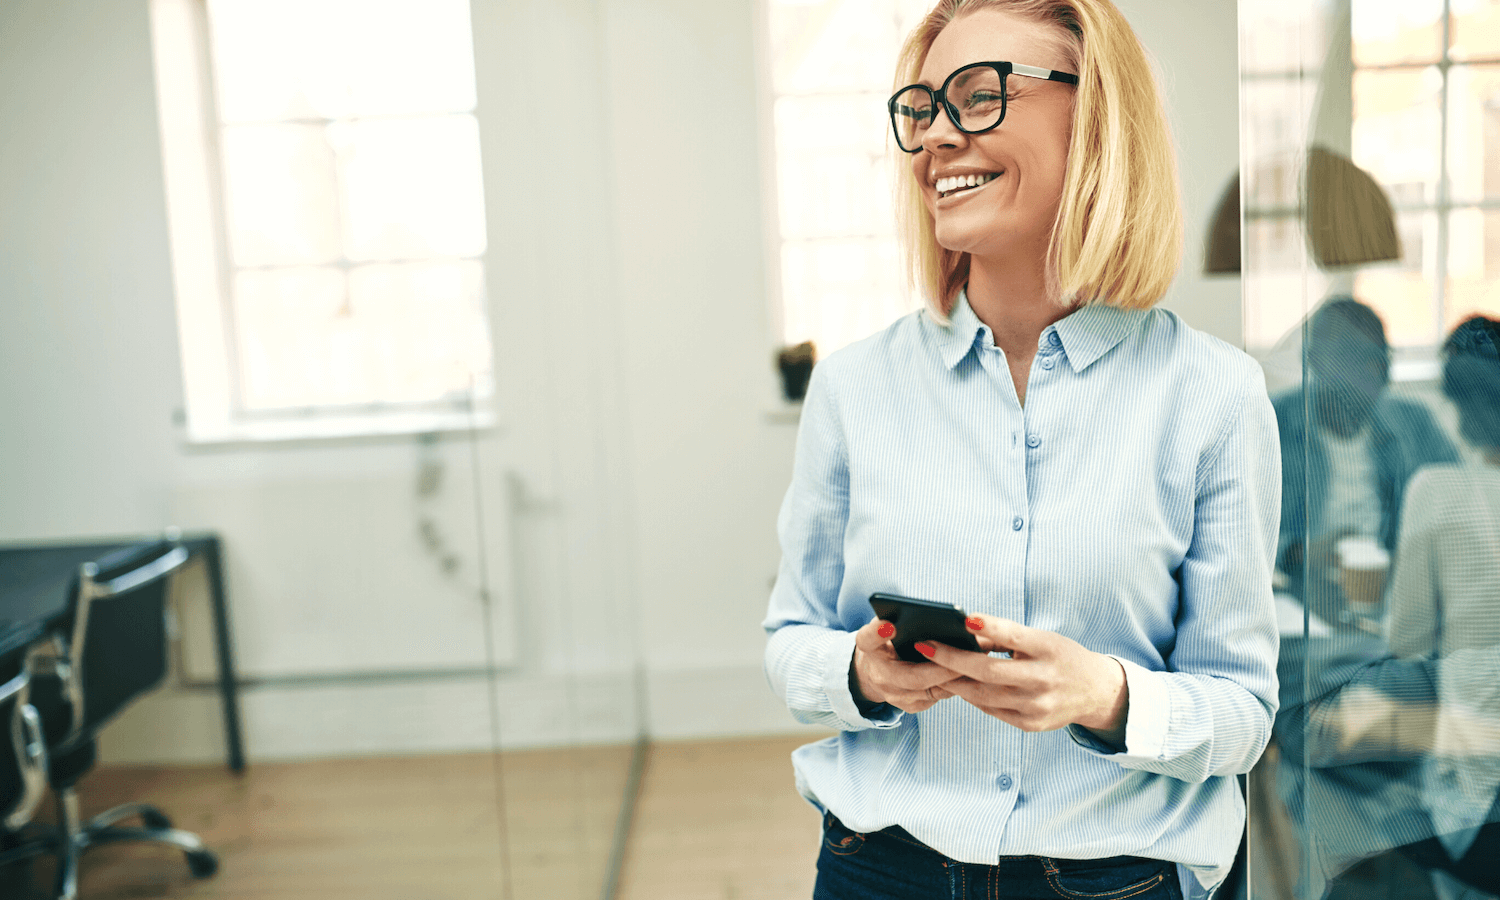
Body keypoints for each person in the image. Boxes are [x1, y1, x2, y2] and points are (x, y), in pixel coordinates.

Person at [761, 2, 1281, 898]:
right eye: (924, 109)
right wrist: (861, 670)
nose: (936, 139)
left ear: (1097, 119)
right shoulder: (853, 388)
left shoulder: (1214, 395)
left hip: (1119, 878)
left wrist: (1103, 697)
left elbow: (1242, 713)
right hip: (882, 870)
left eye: (977, 96)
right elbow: (790, 642)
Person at [1270, 297, 1458, 626]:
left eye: (1379, 358)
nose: (1373, 373)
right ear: (1313, 361)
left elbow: (1462, 511)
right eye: (1353, 358)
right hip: (1300, 604)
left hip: (1395, 605)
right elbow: (1234, 536)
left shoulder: (1416, 425)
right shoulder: (1273, 424)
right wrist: (1301, 552)